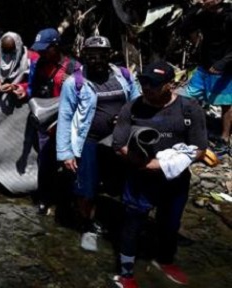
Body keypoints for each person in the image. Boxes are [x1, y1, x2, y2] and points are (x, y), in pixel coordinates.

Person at [112, 61, 207, 288]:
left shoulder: (190, 109)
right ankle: (125, 273)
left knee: (170, 223)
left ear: (170, 86)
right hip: (140, 178)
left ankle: (165, 260)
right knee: (132, 223)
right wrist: (143, 163)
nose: (147, 88)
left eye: (153, 84)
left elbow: (200, 148)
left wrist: (163, 164)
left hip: (174, 180)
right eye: (144, 82)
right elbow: (119, 144)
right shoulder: (132, 108)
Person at [56, 36, 140, 252]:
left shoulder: (124, 76)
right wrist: (65, 153)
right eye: (91, 54)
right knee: (87, 187)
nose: (97, 59)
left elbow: (137, 104)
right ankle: (88, 227)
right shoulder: (74, 82)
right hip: (89, 142)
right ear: (84, 55)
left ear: (109, 54)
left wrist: (125, 117)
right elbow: (65, 118)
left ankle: (123, 227)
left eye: (101, 54)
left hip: (120, 140)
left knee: (122, 185)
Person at [27, 28, 80, 215]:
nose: (40, 52)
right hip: (46, 124)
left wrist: (73, 83)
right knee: (45, 162)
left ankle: (67, 202)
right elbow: (32, 89)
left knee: (69, 164)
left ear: (56, 46)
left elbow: (86, 96)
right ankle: (44, 199)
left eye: (45, 48)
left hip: (67, 124)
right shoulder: (39, 64)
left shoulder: (74, 67)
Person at [180, 0, 232, 155]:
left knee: (225, 103)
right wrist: (194, 8)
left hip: (224, 68)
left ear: (217, 0)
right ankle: (189, 130)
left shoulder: (229, 17)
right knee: (189, 96)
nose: (200, 1)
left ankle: (224, 138)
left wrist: (222, 63)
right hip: (204, 65)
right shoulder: (204, 15)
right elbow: (184, 28)